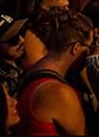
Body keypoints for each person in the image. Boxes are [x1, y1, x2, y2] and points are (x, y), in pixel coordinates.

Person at [17, 8, 93, 136]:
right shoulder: (59, 93)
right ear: (76, 48)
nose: (89, 54)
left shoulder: (32, 72)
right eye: (89, 48)